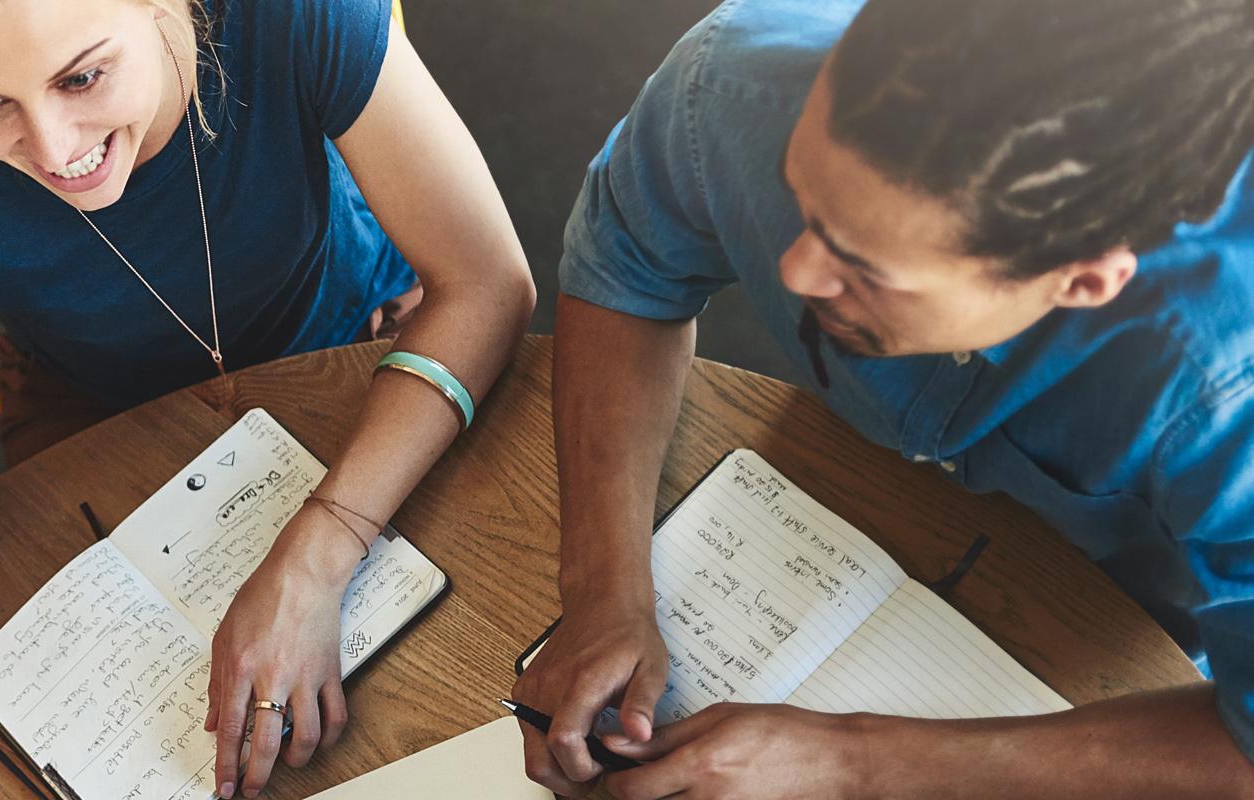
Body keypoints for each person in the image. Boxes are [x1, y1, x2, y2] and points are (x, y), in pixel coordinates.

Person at [0, 0, 532, 794]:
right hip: (96, 411)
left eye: (82, 77)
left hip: (352, 333)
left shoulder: (295, 12)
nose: (53, 150)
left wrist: (316, 560)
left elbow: (488, 286)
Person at [519, 0, 1254, 796]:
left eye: (864, 267)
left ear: (1080, 281)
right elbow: (629, 269)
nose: (795, 273)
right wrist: (602, 591)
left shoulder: (1229, 393)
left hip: (1138, 659)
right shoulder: (740, 80)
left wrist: (854, 761)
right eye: (803, 196)